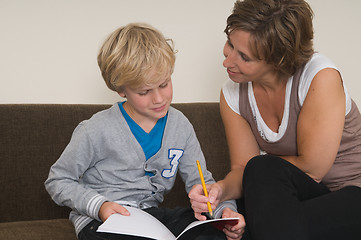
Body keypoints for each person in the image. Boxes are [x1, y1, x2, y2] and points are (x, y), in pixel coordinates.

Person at [44, 23, 244, 240]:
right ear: (121, 90)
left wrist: (223, 211)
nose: (159, 98)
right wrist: (99, 206)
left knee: (209, 231)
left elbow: (202, 182)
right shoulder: (95, 130)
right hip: (102, 221)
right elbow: (58, 180)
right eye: (144, 91)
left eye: (164, 84)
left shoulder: (180, 125)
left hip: (151, 217)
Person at [189, 0, 361, 239]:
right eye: (230, 44)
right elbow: (241, 169)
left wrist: (258, 173)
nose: (227, 62)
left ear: (278, 60)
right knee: (243, 211)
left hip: (352, 196)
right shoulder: (232, 94)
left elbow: (313, 169)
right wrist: (220, 189)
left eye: (245, 57)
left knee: (261, 173)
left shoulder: (319, 76)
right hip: (291, 204)